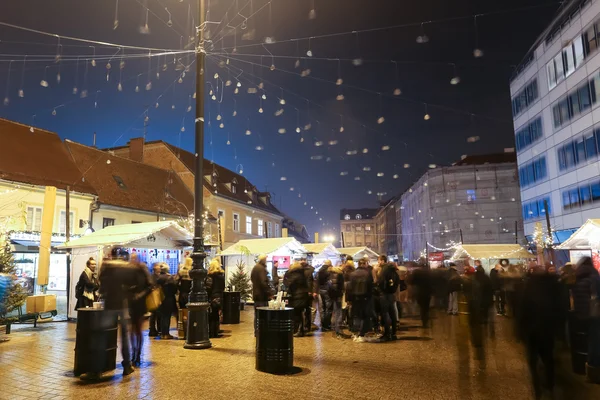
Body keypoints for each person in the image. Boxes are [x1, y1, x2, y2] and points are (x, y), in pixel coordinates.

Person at [517, 266, 560, 399]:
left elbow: (522, 309)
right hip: (547, 330)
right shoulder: (552, 286)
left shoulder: (528, 286)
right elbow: (558, 308)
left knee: (533, 360)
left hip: (532, 331)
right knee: (548, 358)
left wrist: (520, 330)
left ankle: (537, 388)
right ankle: (550, 384)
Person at [98, 255, 136, 376]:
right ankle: (127, 365)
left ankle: (97, 368)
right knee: (124, 336)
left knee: (103, 335)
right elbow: (132, 284)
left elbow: (101, 284)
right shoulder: (127, 268)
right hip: (123, 304)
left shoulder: (106, 267)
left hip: (109, 304)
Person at [128, 253, 153, 366]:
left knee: (137, 329)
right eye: (131, 258)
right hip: (131, 303)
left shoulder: (142, 270)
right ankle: (133, 352)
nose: (132, 260)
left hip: (140, 304)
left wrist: (140, 294)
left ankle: (137, 354)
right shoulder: (129, 271)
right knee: (132, 330)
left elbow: (150, 286)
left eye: (134, 258)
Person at [347, 258, 374, 342]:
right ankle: (362, 333)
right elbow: (370, 287)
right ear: (364, 264)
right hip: (365, 297)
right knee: (365, 315)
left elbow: (349, 288)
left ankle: (356, 332)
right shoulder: (368, 274)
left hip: (355, 297)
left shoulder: (352, 274)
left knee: (356, 315)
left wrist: (349, 299)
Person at [284, 261, 310, 336]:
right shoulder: (302, 273)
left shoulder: (295, 274)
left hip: (298, 296)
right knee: (299, 313)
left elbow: (289, 283)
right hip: (302, 295)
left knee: (297, 313)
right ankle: (300, 330)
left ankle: (299, 330)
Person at [251, 254, 274, 335]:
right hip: (262, 295)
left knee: (257, 314)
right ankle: (261, 331)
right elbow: (263, 282)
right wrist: (269, 293)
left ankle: (257, 331)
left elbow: (252, 279)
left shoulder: (255, 268)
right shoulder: (261, 269)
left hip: (256, 294)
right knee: (262, 314)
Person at [378, 260, 400, 341]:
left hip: (384, 295)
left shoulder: (384, 273)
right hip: (392, 295)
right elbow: (397, 283)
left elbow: (380, 283)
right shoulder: (395, 274)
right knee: (392, 314)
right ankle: (394, 332)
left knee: (385, 314)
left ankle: (387, 332)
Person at [206, 258, 225, 338]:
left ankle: (211, 332)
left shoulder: (210, 277)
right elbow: (222, 287)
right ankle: (216, 331)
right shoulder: (221, 276)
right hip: (219, 297)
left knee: (211, 315)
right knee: (216, 315)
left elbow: (208, 288)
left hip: (212, 297)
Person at [157, 264, 177, 339]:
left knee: (162, 316)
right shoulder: (169, 277)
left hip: (159, 299)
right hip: (168, 298)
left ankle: (162, 333)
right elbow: (174, 288)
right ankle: (166, 333)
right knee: (167, 316)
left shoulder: (158, 277)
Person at [409, 263, 432, 328]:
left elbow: (411, 281)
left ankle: (424, 321)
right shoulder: (429, 273)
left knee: (422, 307)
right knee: (426, 308)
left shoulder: (416, 273)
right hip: (427, 292)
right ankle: (426, 321)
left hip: (419, 292)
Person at [328, 262, 346, 338]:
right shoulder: (340, 274)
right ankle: (338, 330)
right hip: (338, 295)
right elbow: (342, 286)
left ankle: (333, 329)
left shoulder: (330, 274)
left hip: (332, 295)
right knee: (339, 312)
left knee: (334, 312)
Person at [300, 257, 317, 332]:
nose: (303, 261)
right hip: (306, 292)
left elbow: (313, 281)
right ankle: (307, 326)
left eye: (303, 260)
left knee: (305, 309)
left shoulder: (300, 269)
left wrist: (313, 291)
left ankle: (305, 326)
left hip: (305, 292)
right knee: (307, 309)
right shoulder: (311, 269)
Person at [317, 260, 333, 331]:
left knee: (323, 308)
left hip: (321, 290)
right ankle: (327, 324)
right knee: (328, 308)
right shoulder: (329, 271)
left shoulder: (319, 270)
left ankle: (323, 324)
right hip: (327, 291)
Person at [148, 263, 162, 337]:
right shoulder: (154, 277)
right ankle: (155, 329)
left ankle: (154, 329)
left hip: (154, 297)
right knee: (155, 314)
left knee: (154, 314)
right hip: (155, 297)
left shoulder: (151, 276)